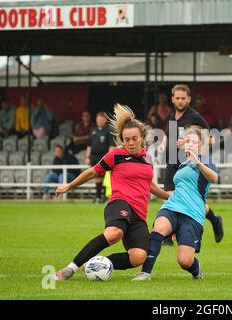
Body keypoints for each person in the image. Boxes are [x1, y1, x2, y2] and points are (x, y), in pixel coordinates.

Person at [54, 104, 169, 281]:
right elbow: (92, 171)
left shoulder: (147, 159)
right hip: (119, 203)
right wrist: (68, 186)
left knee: (139, 257)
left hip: (139, 214)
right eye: (126, 139)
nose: (130, 143)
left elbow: (150, 185)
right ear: (122, 140)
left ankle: (95, 263)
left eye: (134, 139)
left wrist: (170, 196)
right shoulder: (115, 155)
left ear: (142, 138)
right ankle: (70, 268)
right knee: (114, 233)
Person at [132, 128, 218, 281]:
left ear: (200, 145)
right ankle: (145, 273)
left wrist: (197, 162)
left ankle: (196, 269)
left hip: (192, 214)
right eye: (187, 141)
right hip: (172, 207)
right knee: (158, 230)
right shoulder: (182, 165)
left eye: (194, 142)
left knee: (184, 261)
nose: (190, 144)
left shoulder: (205, 160)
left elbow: (214, 178)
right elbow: (180, 190)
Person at [158, 84, 224, 244]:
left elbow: (210, 138)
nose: (180, 101)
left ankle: (215, 220)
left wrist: (190, 143)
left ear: (189, 99)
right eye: (177, 98)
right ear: (172, 99)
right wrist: (162, 143)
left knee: (194, 202)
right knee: (169, 197)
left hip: (190, 165)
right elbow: (167, 134)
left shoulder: (194, 117)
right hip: (172, 162)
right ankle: (168, 232)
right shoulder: (171, 116)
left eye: (183, 98)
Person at [86, 112, 114, 203]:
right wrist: (87, 157)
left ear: (105, 120)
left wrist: (109, 157)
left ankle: (105, 196)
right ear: (96, 120)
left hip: (104, 156)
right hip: (94, 157)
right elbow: (89, 145)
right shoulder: (93, 130)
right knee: (96, 177)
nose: (100, 121)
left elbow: (111, 145)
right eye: (99, 119)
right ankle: (97, 196)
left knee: (105, 177)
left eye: (102, 119)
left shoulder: (109, 131)